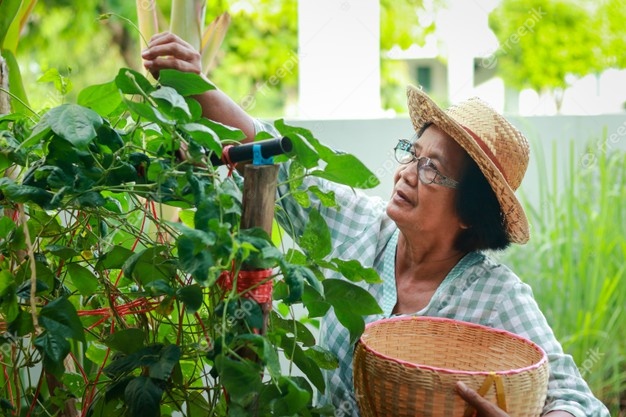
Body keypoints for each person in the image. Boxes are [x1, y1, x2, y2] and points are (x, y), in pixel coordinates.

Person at [142, 32, 610, 417]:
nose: (407, 173)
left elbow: (577, 401)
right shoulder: (364, 229)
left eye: (432, 169)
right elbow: (273, 161)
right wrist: (196, 84)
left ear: (471, 213)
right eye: (412, 153)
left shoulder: (494, 297)